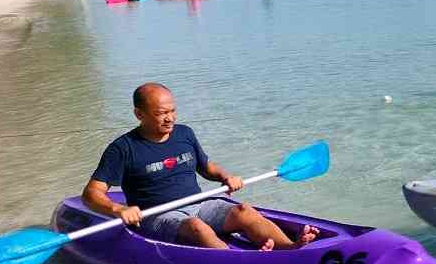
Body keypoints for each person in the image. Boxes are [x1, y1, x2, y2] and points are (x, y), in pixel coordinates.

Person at [82, 83, 319, 251]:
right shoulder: (123, 148)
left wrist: (226, 177)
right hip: (158, 215)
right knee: (197, 227)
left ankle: (290, 248)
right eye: (161, 113)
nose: (170, 118)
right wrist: (118, 209)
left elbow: (205, 167)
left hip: (200, 204)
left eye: (172, 111)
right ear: (139, 114)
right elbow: (91, 194)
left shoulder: (184, 134)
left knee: (243, 211)